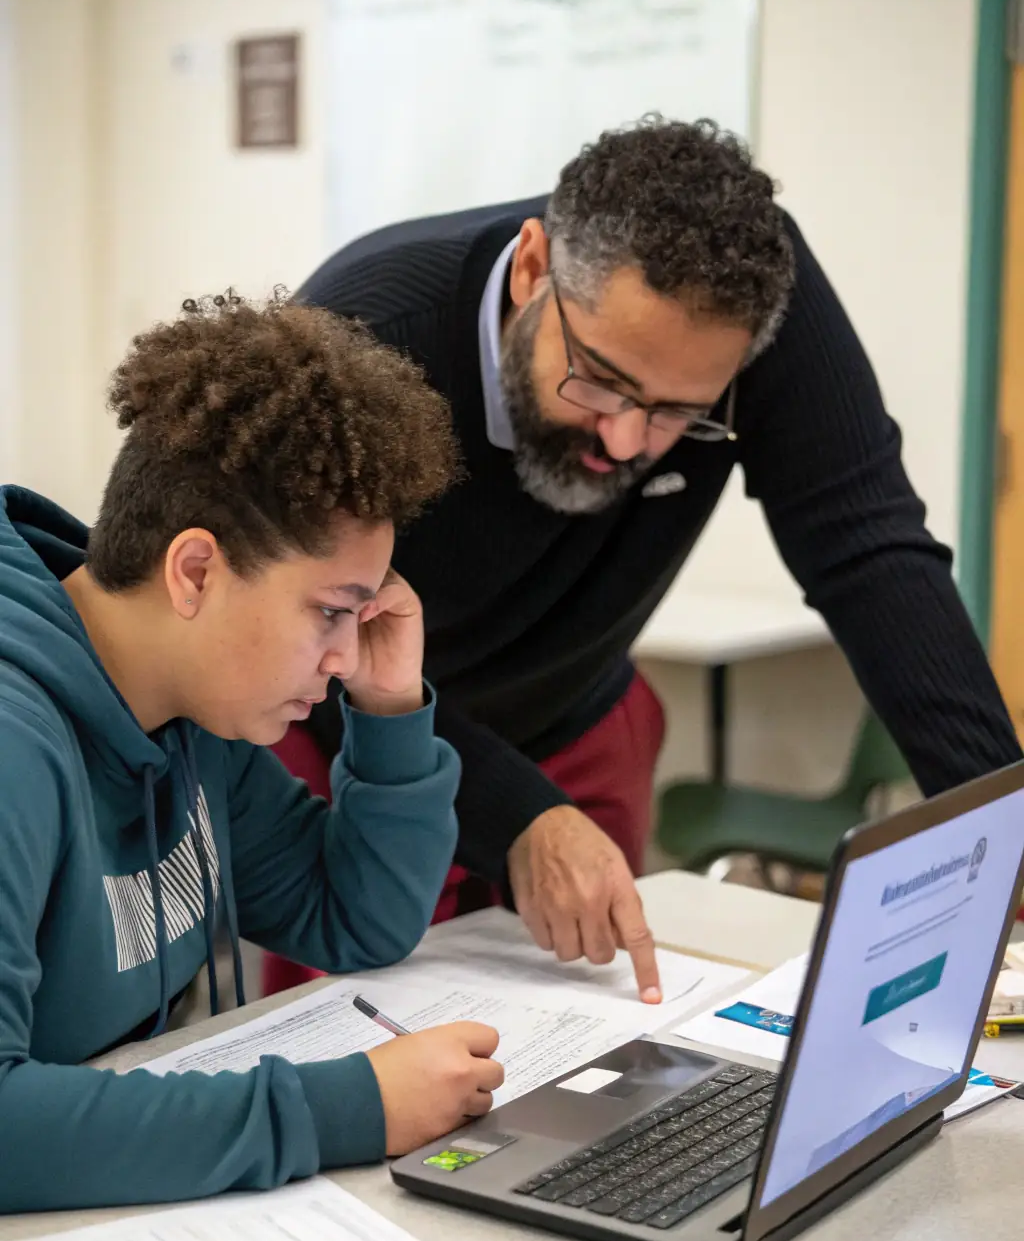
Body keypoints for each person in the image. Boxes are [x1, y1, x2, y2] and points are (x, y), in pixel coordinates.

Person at [266, 114, 1020, 1005]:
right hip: (361, 740)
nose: (626, 442)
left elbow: (871, 550)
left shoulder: (751, 304)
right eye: (602, 380)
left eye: (678, 413)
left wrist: (1001, 832)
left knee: (588, 1038)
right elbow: (304, 637)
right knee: (371, 1033)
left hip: (578, 722)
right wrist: (520, 814)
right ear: (533, 268)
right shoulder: (362, 335)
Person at [0, 291, 506, 1215]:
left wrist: (390, 707)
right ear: (195, 571)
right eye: (331, 611)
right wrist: (345, 1107)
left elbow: (356, 917)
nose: (345, 655)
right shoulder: (14, 746)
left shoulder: (189, 716)